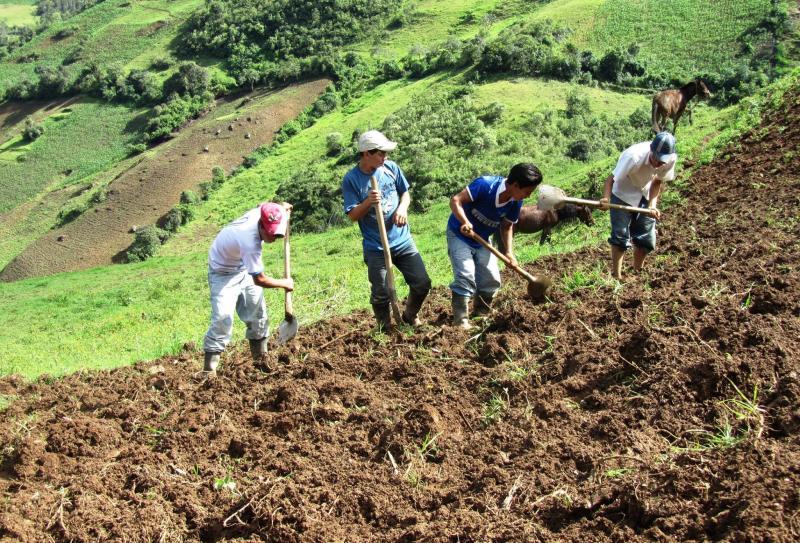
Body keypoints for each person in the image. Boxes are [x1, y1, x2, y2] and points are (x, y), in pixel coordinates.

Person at [342, 130, 431, 329]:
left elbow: (405, 194)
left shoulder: (391, 168)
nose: (386, 157)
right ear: (366, 154)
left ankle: (410, 315)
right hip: (376, 247)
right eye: (381, 153)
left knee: (422, 283)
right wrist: (368, 202)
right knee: (381, 292)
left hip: (402, 241)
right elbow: (352, 216)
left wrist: (402, 208)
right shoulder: (351, 180)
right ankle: (385, 327)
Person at [202, 202, 294, 375]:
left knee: (258, 316)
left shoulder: (268, 212)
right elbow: (259, 280)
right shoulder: (249, 241)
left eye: (278, 234)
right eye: (272, 234)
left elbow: (268, 206)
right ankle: (208, 373)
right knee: (223, 320)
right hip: (222, 271)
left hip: (243, 266)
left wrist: (283, 209)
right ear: (261, 225)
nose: (274, 238)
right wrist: (285, 283)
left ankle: (261, 362)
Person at [447, 163, 543, 329]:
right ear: (515, 185)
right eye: (527, 192)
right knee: (465, 274)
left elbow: (507, 226)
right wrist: (465, 222)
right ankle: (460, 321)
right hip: (459, 234)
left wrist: (509, 253)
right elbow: (455, 201)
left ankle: (481, 313)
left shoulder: (515, 202)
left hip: (482, 238)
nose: (527, 196)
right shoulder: (485, 185)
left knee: (491, 279)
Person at [599, 131, 676, 280]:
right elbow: (610, 179)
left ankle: (637, 273)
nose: (658, 164)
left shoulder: (670, 159)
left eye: (662, 162)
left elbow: (657, 182)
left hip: (645, 192)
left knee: (646, 238)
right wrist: (606, 199)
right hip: (622, 192)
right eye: (656, 159)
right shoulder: (633, 157)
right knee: (620, 236)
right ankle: (617, 277)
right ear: (651, 150)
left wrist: (652, 206)